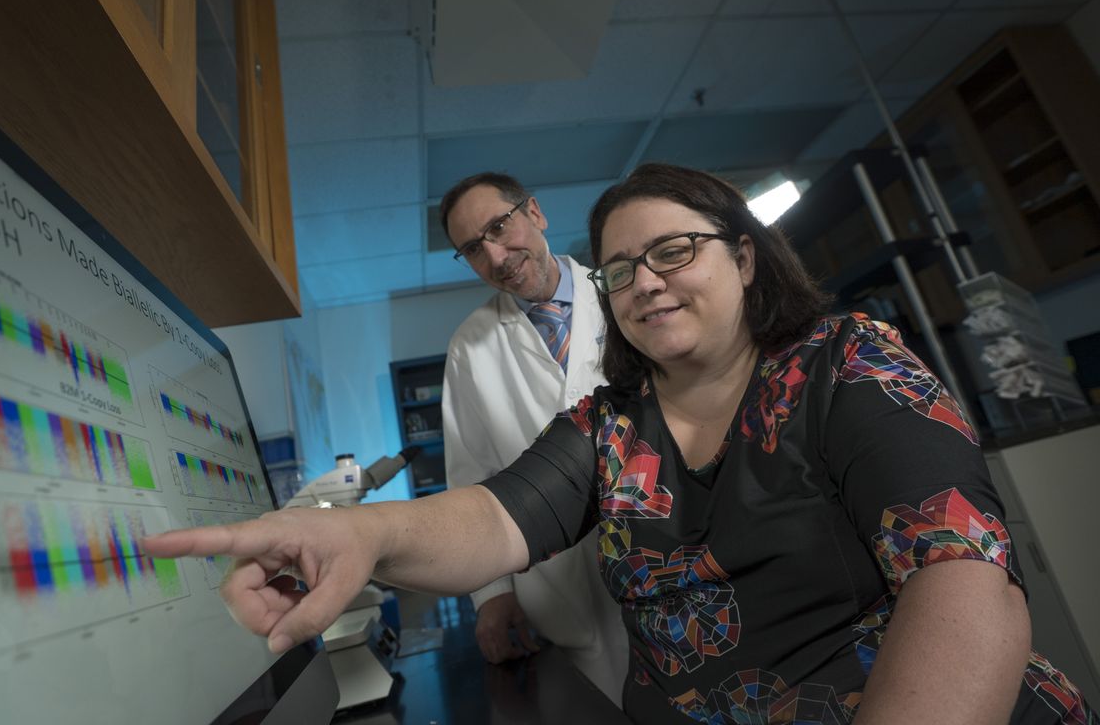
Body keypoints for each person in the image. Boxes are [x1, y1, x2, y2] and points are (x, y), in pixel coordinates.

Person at [144, 164, 1096, 724]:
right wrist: (365, 536)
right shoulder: (609, 427)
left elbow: (963, 584)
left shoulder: (844, 365)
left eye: (673, 251)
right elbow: (493, 512)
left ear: (744, 256)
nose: (645, 282)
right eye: (621, 270)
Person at [438, 171, 627, 701]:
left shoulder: (622, 294)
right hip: (559, 601)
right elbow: (470, 480)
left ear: (535, 213)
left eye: (499, 227)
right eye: (473, 249)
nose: (496, 257)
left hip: (669, 575)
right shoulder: (469, 348)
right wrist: (492, 594)